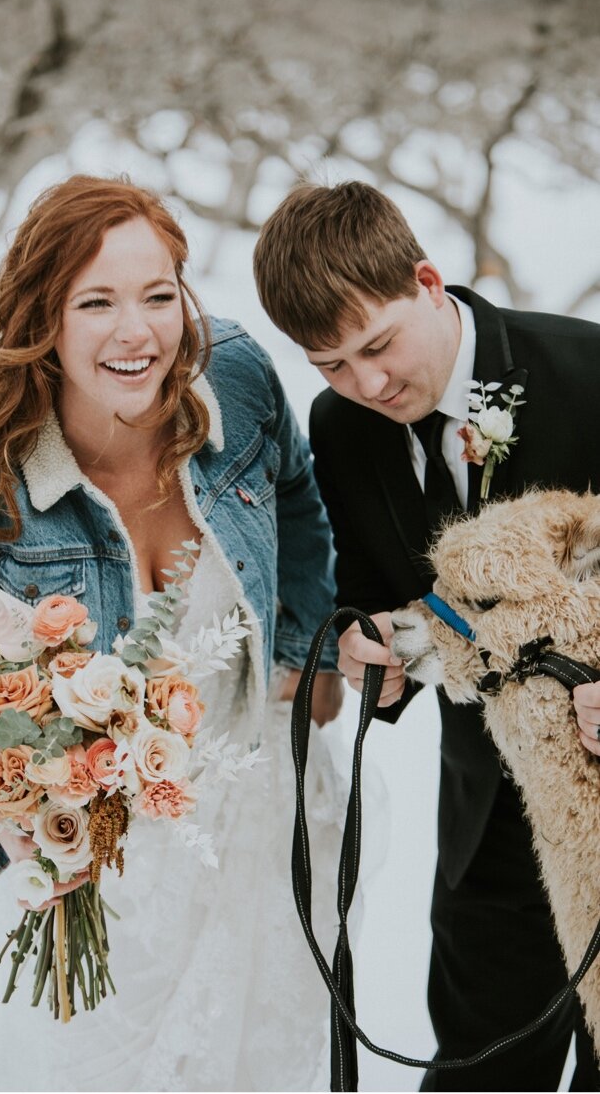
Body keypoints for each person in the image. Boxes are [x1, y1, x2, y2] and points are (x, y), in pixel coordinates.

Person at [0, 175, 350, 1090]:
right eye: (99, 303)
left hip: (257, 801)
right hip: (102, 853)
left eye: (160, 296)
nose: (140, 332)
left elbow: (297, 497)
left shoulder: (236, 375)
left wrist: (302, 653)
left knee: (259, 1053)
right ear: (45, 319)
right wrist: (24, 823)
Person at [253, 178, 600, 1091]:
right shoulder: (340, 427)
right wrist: (367, 647)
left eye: (377, 345)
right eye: (330, 365)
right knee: (480, 1072)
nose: (367, 385)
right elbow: (379, 595)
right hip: (490, 818)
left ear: (428, 280)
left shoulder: (587, 367)